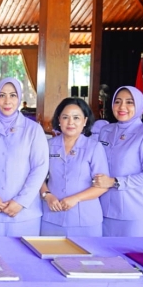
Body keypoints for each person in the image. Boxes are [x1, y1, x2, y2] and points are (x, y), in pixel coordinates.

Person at [0, 77, 48, 236]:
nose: (7, 101)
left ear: (19, 98)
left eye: (13, 95)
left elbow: (40, 168)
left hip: (25, 212)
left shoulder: (33, 129)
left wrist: (21, 201)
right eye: (2, 95)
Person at [93, 86, 143, 237]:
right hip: (101, 208)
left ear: (139, 106)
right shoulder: (106, 131)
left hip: (132, 211)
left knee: (129, 258)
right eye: (117, 102)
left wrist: (114, 182)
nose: (122, 107)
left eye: (129, 102)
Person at [39, 98, 109, 237]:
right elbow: (38, 176)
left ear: (85, 121)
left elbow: (102, 185)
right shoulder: (48, 145)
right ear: (59, 120)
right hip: (52, 216)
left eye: (76, 117)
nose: (70, 122)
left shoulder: (94, 147)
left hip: (85, 218)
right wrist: (47, 195)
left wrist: (76, 198)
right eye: (65, 117)